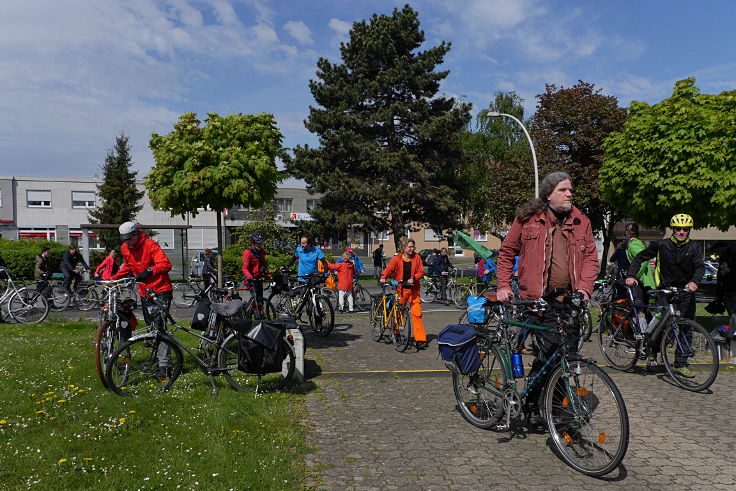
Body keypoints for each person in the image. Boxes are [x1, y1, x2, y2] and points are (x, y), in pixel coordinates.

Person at [496, 171, 598, 427]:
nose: (569, 194)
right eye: (563, 190)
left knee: (568, 354)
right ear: (549, 194)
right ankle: (545, 408)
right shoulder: (528, 219)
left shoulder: (580, 220)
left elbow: (590, 259)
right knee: (551, 351)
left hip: (571, 300)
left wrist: (584, 290)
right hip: (539, 300)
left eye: (570, 189)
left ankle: (547, 405)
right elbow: (507, 252)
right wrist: (503, 286)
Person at [626, 214, 705, 376]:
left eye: (685, 229)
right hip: (665, 292)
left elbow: (700, 267)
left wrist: (695, 282)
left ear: (689, 230)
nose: (681, 232)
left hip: (686, 292)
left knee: (686, 328)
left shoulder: (694, 247)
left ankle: (681, 363)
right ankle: (653, 355)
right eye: (678, 229)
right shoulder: (662, 245)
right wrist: (631, 275)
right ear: (673, 229)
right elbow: (640, 257)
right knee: (661, 327)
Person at [112, 221, 174, 379]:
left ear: (136, 234)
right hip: (145, 292)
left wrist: (150, 270)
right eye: (124, 240)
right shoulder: (125, 248)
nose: (127, 243)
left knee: (159, 327)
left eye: (129, 239)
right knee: (151, 327)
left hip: (161, 290)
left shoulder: (150, 245)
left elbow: (166, 264)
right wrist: (113, 278)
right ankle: (157, 357)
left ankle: (164, 365)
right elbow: (128, 266)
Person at [380, 237, 428, 349]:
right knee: (399, 313)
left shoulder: (417, 257)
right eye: (410, 247)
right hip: (401, 289)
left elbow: (421, 271)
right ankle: (396, 333)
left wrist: (415, 278)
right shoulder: (397, 258)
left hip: (414, 289)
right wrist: (383, 277)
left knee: (417, 314)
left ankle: (420, 339)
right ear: (404, 248)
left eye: (413, 247)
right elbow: (389, 269)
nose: (412, 249)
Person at [242, 233, 269, 301]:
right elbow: (245, 268)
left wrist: (268, 275)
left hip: (258, 278)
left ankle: (259, 310)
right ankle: (252, 310)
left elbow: (264, 264)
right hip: (250, 279)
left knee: (260, 299)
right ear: (253, 243)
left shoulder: (261, 252)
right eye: (258, 243)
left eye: (261, 243)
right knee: (255, 299)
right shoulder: (248, 252)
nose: (260, 245)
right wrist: (250, 277)